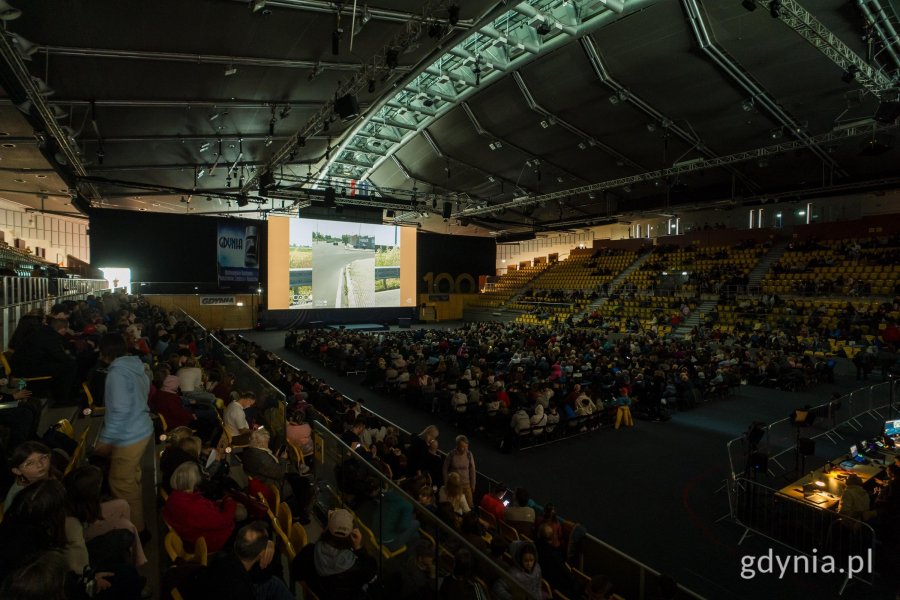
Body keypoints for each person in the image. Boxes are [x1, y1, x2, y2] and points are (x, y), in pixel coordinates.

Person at [93, 333, 154, 536]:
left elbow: (119, 410)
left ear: (105, 352)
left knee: (121, 483)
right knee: (131, 478)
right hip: (142, 428)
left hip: (129, 435)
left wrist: (106, 440)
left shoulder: (116, 374)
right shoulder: (137, 368)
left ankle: (137, 532)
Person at [64, 465, 147, 568]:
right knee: (127, 526)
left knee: (122, 504)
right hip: (83, 532)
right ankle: (135, 562)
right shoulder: (71, 521)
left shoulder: (77, 495)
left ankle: (126, 553)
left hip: (85, 519)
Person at [292, 508, 377, 600]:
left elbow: (295, 573)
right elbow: (372, 573)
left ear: (327, 529)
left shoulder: (309, 551)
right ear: (351, 536)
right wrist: (359, 548)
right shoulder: (358, 567)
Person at [201, 520, 292, 600]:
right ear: (262, 554)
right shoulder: (243, 590)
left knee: (273, 582)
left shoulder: (220, 558)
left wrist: (269, 544)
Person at [162, 462, 242, 553]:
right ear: (192, 481)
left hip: (195, 535)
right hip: (207, 541)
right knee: (242, 525)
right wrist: (229, 502)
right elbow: (223, 521)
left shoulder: (175, 497)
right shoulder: (191, 506)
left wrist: (218, 504)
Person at [239, 428, 313, 523]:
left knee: (298, 479)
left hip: (265, 478)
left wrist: (275, 458)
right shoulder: (260, 458)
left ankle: (298, 509)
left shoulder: (250, 451)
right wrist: (282, 459)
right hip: (274, 484)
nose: (268, 443)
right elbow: (279, 473)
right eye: (266, 441)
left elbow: (269, 467)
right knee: (304, 483)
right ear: (261, 443)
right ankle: (298, 514)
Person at [4, 441, 57, 508]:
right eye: (29, 463)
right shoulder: (23, 499)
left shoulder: (52, 473)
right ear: (17, 471)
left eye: (43, 457)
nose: (40, 465)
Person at [534, 522, 577, 599]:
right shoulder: (554, 556)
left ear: (538, 535)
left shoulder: (533, 547)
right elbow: (568, 577)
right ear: (552, 538)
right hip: (557, 589)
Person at [443, 435, 476, 509]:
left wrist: (473, 485)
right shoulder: (451, 455)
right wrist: (446, 482)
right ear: (457, 445)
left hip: (466, 485)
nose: (464, 449)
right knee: (456, 506)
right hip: (455, 485)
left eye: (466, 446)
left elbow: (472, 471)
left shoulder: (469, 454)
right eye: (462, 446)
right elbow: (445, 469)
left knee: (469, 505)